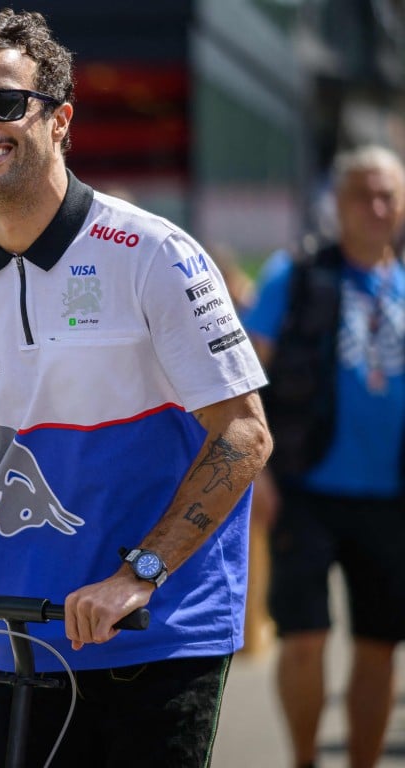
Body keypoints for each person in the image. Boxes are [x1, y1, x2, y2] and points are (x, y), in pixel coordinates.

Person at [0, 9, 271, 766]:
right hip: (21, 631)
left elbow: (244, 433)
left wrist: (140, 573)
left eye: (4, 103)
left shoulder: (155, 253)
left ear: (60, 120)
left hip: (158, 627)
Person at [245, 144, 405, 768]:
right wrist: (257, 473)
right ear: (337, 205)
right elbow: (246, 376)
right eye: (363, 193)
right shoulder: (298, 274)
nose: (378, 206)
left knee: (380, 646)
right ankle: (305, 761)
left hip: (391, 496)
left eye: (388, 194)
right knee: (304, 639)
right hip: (306, 486)